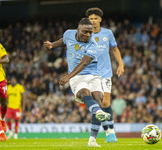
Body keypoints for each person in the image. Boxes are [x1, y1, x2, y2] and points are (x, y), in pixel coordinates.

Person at [44, 18, 110, 147]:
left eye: (90, 32)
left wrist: (68, 76)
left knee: (98, 98)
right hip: (77, 76)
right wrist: (52, 44)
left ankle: (92, 140)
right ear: (78, 30)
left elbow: (83, 63)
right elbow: (64, 41)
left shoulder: (93, 45)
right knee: (84, 93)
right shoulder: (69, 33)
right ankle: (98, 111)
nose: (88, 35)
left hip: (93, 74)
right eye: (85, 32)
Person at [86, 7, 124, 142]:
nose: (93, 21)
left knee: (106, 103)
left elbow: (115, 49)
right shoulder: (85, 34)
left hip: (106, 72)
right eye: (91, 19)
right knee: (98, 104)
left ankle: (111, 132)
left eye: (96, 18)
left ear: (100, 19)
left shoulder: (107, 33)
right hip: (91, 74)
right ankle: (110, 133)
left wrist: (121, 64)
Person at [0, 42, 9, 141]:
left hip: (0, 80)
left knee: (4, 104)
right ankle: (1, 133)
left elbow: (6, 59)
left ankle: (2, 119)